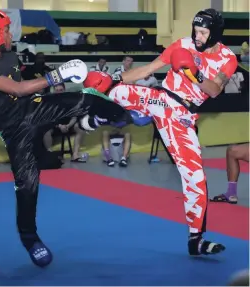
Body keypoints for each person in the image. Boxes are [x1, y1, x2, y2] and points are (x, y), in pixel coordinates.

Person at [0, 9, 130, 268]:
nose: (11, 34)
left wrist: (57, 80)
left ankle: (107, 117)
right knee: (28, 186)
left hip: (32, 107)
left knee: (87, 100)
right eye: (7, 30)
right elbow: (17, 88)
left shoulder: (10, 55)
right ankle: (30, 239)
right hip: (13, 130)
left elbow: (25, 90)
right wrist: (58, 75)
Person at [84, 8, 238, 256]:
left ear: (215, 34)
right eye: (195, 30)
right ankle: (94, 115)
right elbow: (146, 70)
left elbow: (214, 90)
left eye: (203, 32)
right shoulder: (182, 45)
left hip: (182, 117)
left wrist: (193, 72)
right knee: (102, 85)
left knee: (196, 179)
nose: (197, 36)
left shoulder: (228, 58)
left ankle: (195, 240)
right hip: (159, 99)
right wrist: (114, 77)